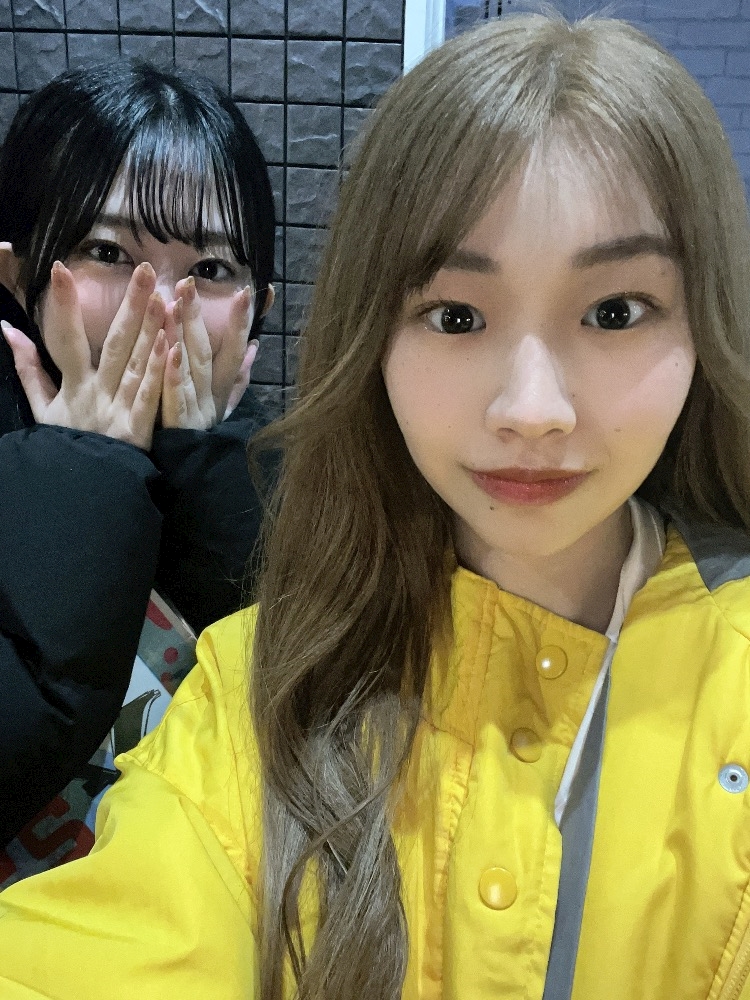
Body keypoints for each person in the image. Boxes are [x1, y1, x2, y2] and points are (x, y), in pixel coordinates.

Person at [1, 11, 750, 999]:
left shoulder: (253, 507)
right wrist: (91, 467)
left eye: (616, 312)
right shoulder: (251, 690)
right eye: (456, 314)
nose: (533, 409)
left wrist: (193, 459)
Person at [0, 60, 276, 852]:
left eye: (211, 270)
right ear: (16, 275)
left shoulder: (297, 486)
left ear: (256, 307)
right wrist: (86, 469)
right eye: (107, 252)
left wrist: (210, 474)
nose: (158, 303)